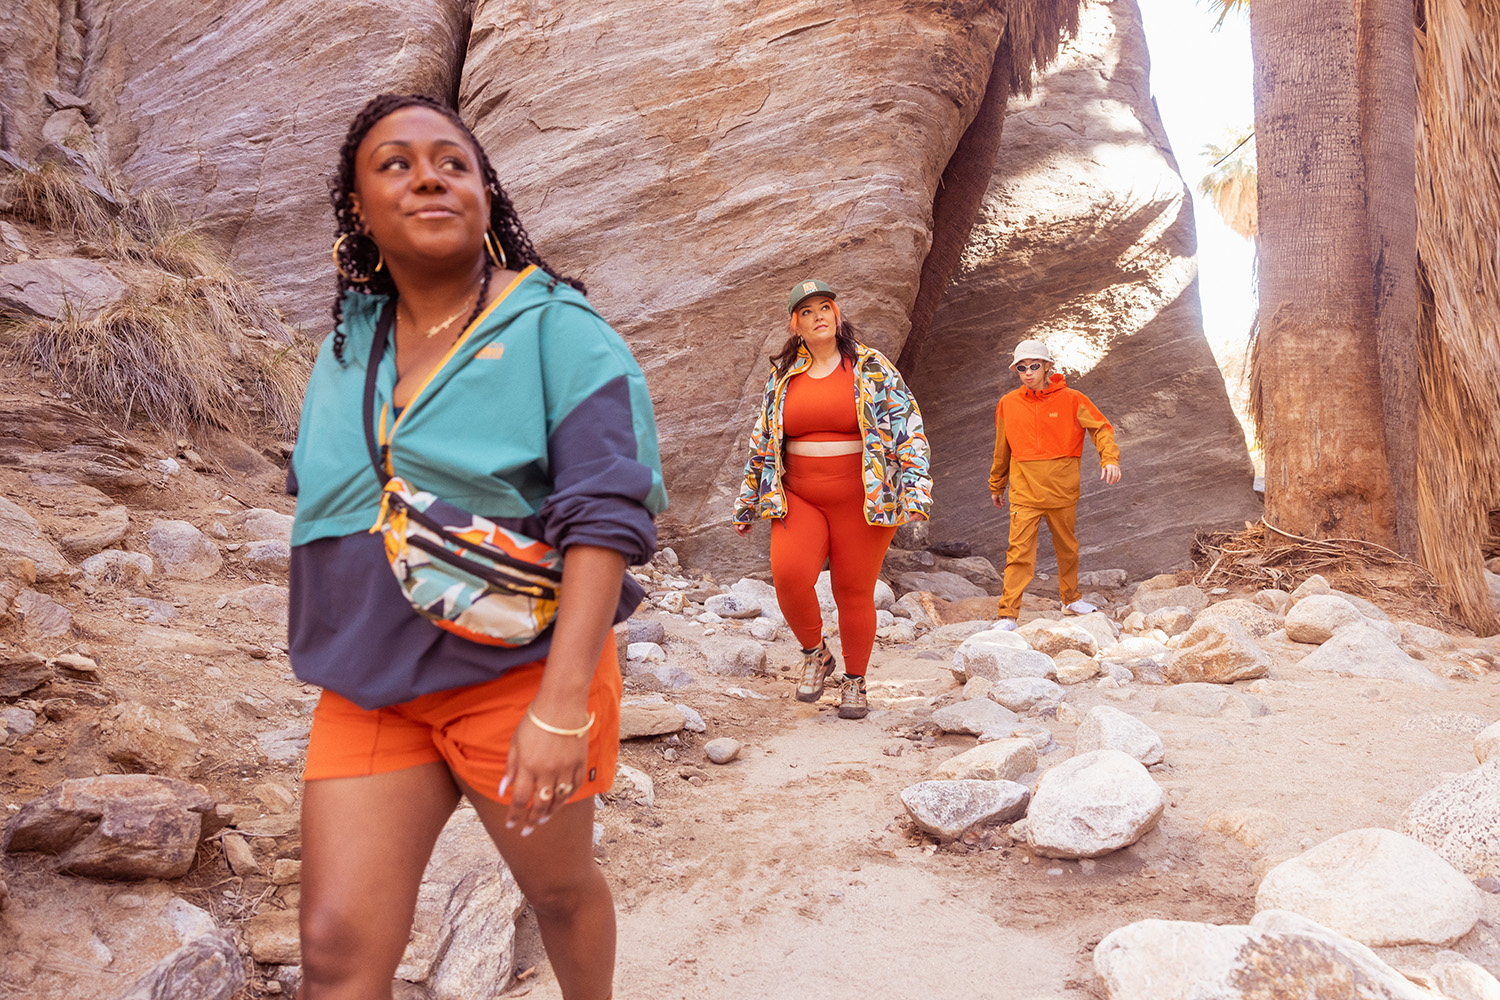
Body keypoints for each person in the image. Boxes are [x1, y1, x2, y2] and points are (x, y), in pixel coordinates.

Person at [287, 93, 664, 1000]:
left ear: (486, 195)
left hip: (520, 673)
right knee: (334, 951)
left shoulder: (558, 329)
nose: (429, 177)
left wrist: (562, 707)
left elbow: (606, 514)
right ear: (358, 210)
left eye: (452, 163)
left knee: (559, 893)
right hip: (373, 684)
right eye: (396, 163)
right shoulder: (348, 346)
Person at [733, 279, 931, 719]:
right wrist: (748, 500)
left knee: (852, 590)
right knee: (788, 575)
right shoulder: (782, 378)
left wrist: (917, 488)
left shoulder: (871, 367)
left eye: (825, 307)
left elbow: (908, 427)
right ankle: (815, 654)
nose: (818, 315)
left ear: (837, 315)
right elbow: (762, 439)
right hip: (799, 495)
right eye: (806, 311)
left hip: (863, 498)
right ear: (795, 325)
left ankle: (856, 682)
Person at [988, 338, 1120, 630]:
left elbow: (1101, 428)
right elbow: (1001, 449)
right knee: (1018, 554)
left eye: (1034, 366)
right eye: (1021, 368)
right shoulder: (1008, 404)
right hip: (1024, 493)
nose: (1028, 373)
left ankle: (1071, 599)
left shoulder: (1073, 399)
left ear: (1047, 366)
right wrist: (997, 485)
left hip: (1063, 491)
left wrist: (1109, 458)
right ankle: (1008, 616)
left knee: (1067, 548)